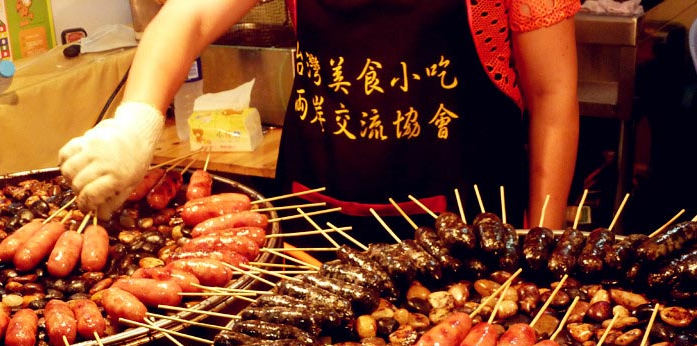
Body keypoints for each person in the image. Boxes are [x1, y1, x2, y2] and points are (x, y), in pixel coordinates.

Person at [59, 0, 580, 233]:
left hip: (467, 230)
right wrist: (136, 123)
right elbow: (189, 14)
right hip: (317, 216)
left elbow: (554, 98)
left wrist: (544, 244)